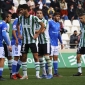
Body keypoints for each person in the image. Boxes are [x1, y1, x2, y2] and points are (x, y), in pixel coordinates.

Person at [17, 4, 45, 79]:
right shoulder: (20, 18)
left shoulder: (33, 18)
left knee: (36, 56)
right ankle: (25, 75)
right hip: (24, 41)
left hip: (32, 40)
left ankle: (37, 75)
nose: (21, 11)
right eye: (20, 9)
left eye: (22, 9)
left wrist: (37, 34)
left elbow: (42, 25)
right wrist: (19, 34)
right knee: (23, 57)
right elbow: (17, 25)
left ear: (26, 9)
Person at [35, 9, 53, 79]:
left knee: (47, 58)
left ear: (42, 14)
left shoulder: (45, 21)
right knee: (41, 59)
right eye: (37, 13)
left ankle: (50, 74)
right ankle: (44, 74)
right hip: (39, 42)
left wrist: (33, 31)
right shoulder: (35, 22)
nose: (39, 14)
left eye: (40, 13)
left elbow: (42, 31)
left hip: (46, 42)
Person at [49, 12, 63, 77]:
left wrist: (61, 42)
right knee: (49, 58)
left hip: (56, 44)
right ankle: (48, 72)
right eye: (57, 16)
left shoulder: (58, 24)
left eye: (59, 16)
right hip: (50, 43)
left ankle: (55, 73)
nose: (58, 17)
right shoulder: (50, 22)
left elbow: (58, 34)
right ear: (54, 16)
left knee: (56, 58)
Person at [11, 4, 24, 80]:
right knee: (16, 57)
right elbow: (13, 31)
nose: (22, 11)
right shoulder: (17, 20)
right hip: (16, 41)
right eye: (21, 10)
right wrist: (16, 39)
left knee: (22, 57)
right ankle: (13, 74)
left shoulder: (23, 21)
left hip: (22, 42)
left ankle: (16, 72)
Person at [0, 11, 12, 81]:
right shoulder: (4, 24)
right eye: (10, 17)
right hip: (0, 44)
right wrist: (9, 44)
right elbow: (4, 35)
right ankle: (0, 76)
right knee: (2, 59)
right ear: (6, 17)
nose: (10, 18)